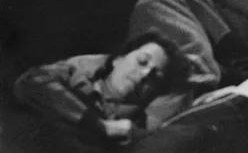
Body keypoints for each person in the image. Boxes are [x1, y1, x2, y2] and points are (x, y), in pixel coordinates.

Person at [13, 32, 180, 144]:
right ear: (118, 59)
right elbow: (30, 82)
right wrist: (100, 126)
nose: (144, 74)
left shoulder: (137, 133)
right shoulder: (71, 76)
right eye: (142, 61)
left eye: (155, 77)